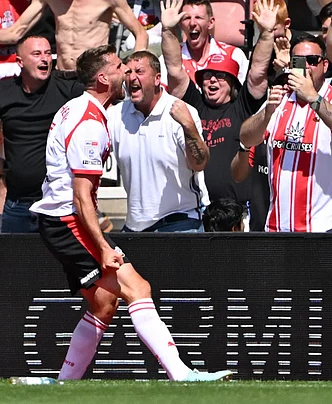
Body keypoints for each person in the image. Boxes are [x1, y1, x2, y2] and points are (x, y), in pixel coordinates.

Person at [30, 44, 232, 382]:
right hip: (68, 220)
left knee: (105, 303)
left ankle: (63, 383)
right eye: (119, 66)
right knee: (137, 288)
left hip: (61, 219)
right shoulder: (90, 122)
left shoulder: (77, 108)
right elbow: (81, 195)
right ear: (103, 78)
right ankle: (182, 375)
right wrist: (103, 246)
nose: (125, 72)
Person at [161, 0, 277, 208]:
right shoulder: (195, 105)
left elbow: (258, 71)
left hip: (240, 209)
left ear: (232, 82)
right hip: (202, 209)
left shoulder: (243, 106)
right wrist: (168, 30)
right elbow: (175, 70)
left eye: (220, 76)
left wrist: (267, 33)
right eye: (207, 76)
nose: (213, 80)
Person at [0, 35, 84, 233]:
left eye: (48, 53)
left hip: (58, 203)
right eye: (37, 54)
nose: (44, 59)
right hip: (17, 205)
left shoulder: (68, 90)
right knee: (16, 255)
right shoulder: (3, 91)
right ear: (20, 62)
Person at [107, 50, 210, 233]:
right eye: (128, 72)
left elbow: (199, 163)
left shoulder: (181, 111)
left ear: (157, 79)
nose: (132, 78)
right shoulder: (116, 115)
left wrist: (188, 126)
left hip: (180, 222)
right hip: (135, 227)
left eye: (139, 71)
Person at [241, 35, 332, 232]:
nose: (305, 67)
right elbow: (246, 137)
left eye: (312, 61)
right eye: (298, 61)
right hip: (277, 229)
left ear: (324, 65)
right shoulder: (280, 97)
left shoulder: (329, 99)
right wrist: (266, 113)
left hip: (321, 230)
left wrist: (313, 98)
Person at [0, 0, 149, 74]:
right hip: (62, 75)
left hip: (95, 78)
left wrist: (131, 69)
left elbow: (141, 33)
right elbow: (16, 32)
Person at [159, 0, 249, 86]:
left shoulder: (234, 55)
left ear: (211, 23)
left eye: (198, 17)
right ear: (181, 24)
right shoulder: (167, 59)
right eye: (187, 18)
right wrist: (167, 29)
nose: (192, 23)